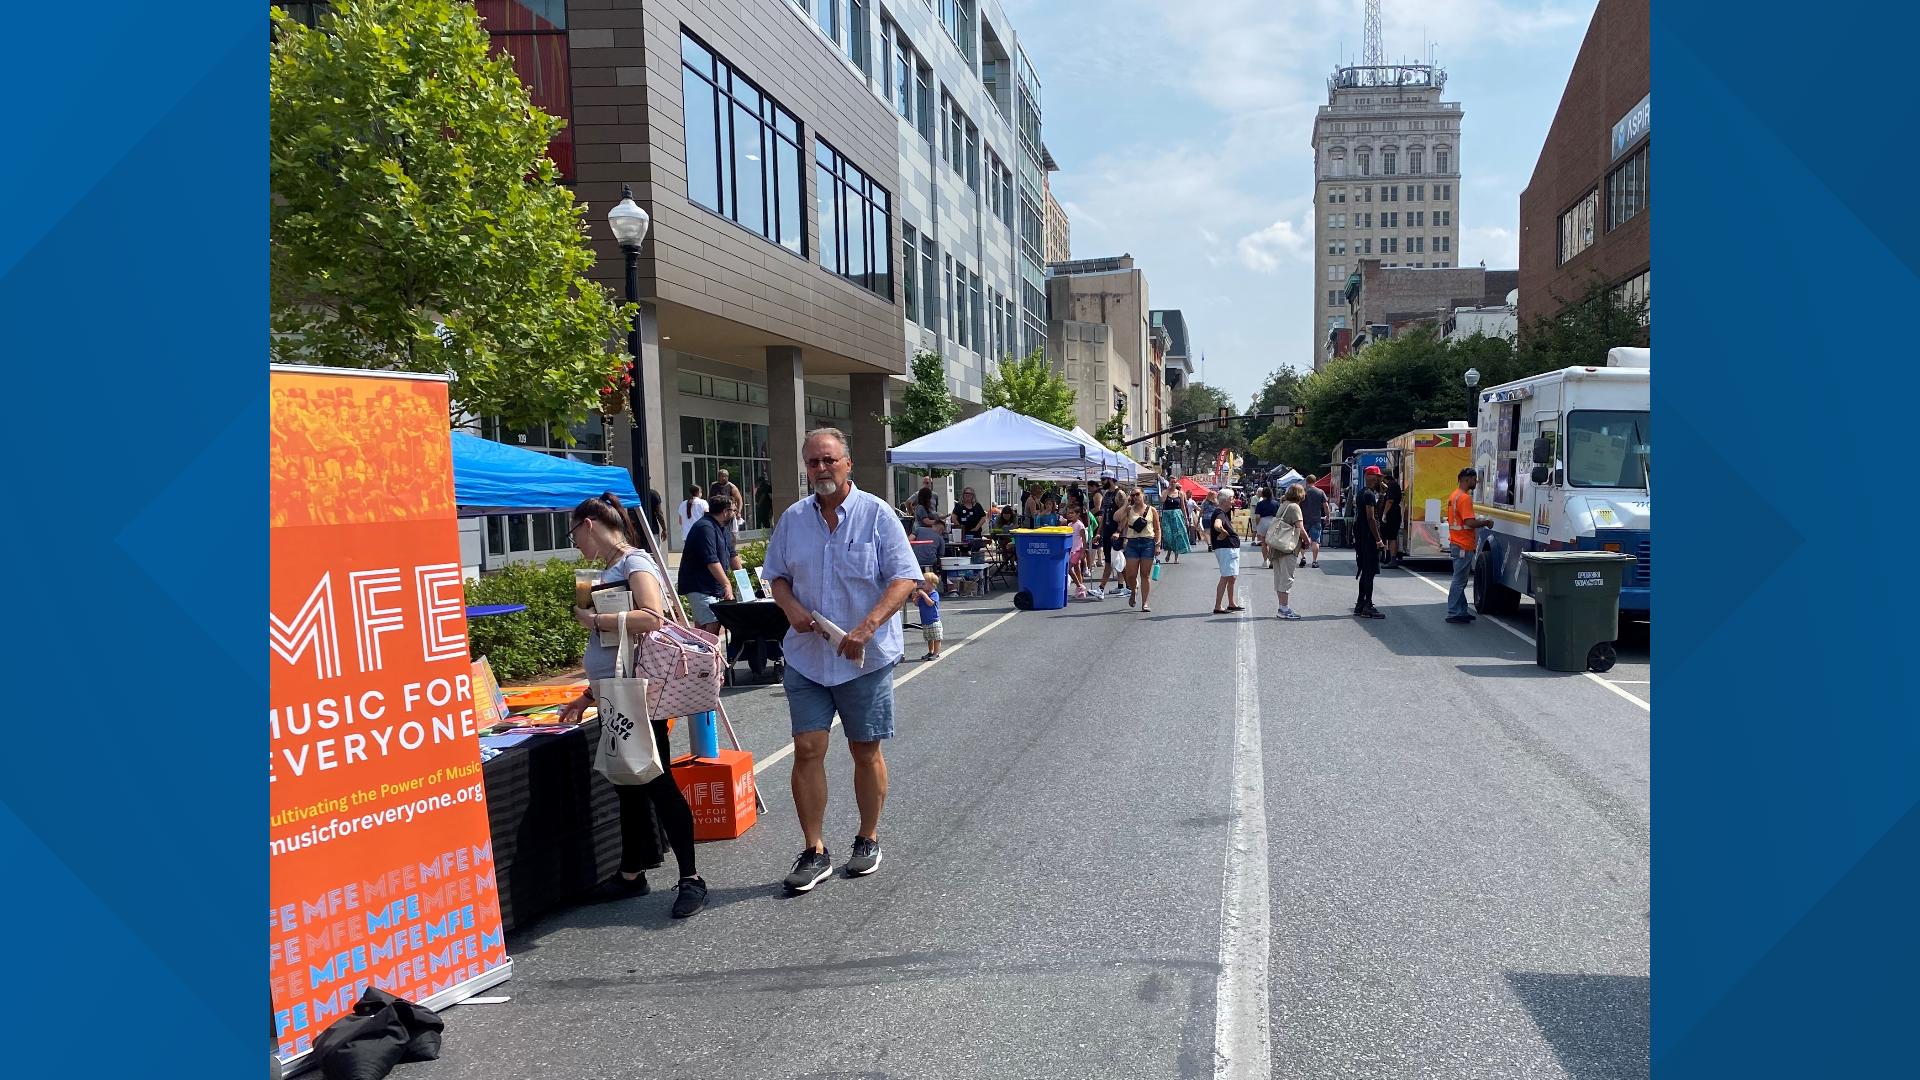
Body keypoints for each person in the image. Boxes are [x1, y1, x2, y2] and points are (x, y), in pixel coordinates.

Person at [761, 428, 921, 894]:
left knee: (864, 750)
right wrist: (789, 607)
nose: (821, 469)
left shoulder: (877, 515)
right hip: (808, 658)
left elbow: (904, 577)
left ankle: (867, 839)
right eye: (813, 463)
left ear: (848, 463)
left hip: (863, 660)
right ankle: (814, 850)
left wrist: (866, 628)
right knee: (808, 749)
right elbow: (777, 576)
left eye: (829, 460)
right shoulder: (793, 519)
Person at [556, 493, 707, 919]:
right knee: (627, 783)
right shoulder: (605, 569)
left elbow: (654, 618)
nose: (576, 543)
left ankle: (691, 877)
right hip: (614, 693)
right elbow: (611, 648)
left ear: (588, 524)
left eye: (574, 534)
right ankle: (631, 872)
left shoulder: (635, 563)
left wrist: (596, 619)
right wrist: (587, 696)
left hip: (637, 694)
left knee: (656, 781)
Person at [677, 495, 741, 635]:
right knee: (712, 621)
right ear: (725, 511)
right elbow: (711, 560)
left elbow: (732, 554)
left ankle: (701, 655)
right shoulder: (705, 527)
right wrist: (726, 584)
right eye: (734, 511)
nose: (735, 514)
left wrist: (744, 581)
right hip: (699, 585)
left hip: (712, 586)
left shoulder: (723, 528)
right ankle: (707, 655)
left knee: (703, 626)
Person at [1444, 467, 1494, 623]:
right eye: (1474, 479)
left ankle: (1461, 611)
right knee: (1459, 580)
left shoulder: (1454, 496)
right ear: (1467, 479)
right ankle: (1454, 612)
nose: (1476, 481)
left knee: (1461, 580)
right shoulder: (1464, 498)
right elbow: (1469, 522)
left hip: (1457, 542)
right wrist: (1485, 522)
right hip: (1463, 544)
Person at [1265, 484, 1307, 620]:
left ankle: (1281, 607)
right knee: (1287, 578)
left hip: (1276, 546)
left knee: (1279, 578)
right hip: (1287, 547)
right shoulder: (1295, 507)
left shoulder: (1284, 504)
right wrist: (1307, 540)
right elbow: (1299, 527)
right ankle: (1284, 608)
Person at [1119, 488, 1161, 612]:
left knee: (1145, 574)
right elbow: (1119, 522)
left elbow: (1157, 528)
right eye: (1133, 495)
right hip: (1132, 543)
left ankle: (1145, 603)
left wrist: (1158, 545)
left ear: (1143, 495)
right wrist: (1126, 504)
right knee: (1131, 575)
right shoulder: (1129, 509)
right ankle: (1133, 590)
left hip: (1148, 542)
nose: (1136, 497)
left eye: (1138, 494)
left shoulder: (1152, 510)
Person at [1353, 465, 1386, 619]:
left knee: (1365, 571)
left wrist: (1383, 494)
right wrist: (1378, 539)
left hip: (1361, 538)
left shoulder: (1363, 493)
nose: (1381, 479)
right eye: (1379, 476)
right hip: (1368, 538)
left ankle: (1361, 604)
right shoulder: (1368, 494)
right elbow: (1371, 517)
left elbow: (1375, 512)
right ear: (1372, 477)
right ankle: (1368, 605)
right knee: (1369, 572)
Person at [1205, 488, 1243, 614]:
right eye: (1231, 499)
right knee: (1226, 576)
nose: (1233, 501)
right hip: (1226, 548)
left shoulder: (1222, 512)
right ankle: (1218, 606)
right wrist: (1223, 531)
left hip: (1228, 548)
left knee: (1232, 576)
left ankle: (1231, 603)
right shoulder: (1220, 513)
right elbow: (1217, 524)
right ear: (1226, 500)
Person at [1095, 474, 1127, 593]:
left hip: (1116, 532)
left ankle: (1101, 589)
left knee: (1111, 561)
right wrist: (1099, 532)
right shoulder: (1106, 494)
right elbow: (1103, 516)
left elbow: (1125, 514)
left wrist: (1118, 531)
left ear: (1110, 479)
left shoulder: (1120, 494)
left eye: (1103, 480)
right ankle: (1125, 587)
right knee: (1117, 561)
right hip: (1107, 531)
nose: (1102, 482)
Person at [914, 571, 944, 661]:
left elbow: (930, 603)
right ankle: (930, 651)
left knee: (936, 637)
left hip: (934, 620)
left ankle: (936, 653)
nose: (922, 585)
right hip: (925, 620)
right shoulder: (923, 595)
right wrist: (916, 597)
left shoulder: (934, 594)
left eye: (924, 583)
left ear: (931, 584)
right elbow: (916, 604)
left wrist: (923, 594)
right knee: (929, 638)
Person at [1159, 485, 1191, 563]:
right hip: (1167, 516)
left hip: (1177, 515)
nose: (1173, 484)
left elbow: (1183, 506)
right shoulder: (1165, 492)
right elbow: (1162, 501)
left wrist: (1186, 518)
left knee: (1177, 536)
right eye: (1171, 482)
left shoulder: (1180, 493)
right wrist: (1167, 491)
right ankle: (1169, 552)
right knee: (1168, 536)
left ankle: (1176, 557)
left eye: (1174, 482)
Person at [1302, 476, 1329, 569]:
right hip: (1316, 520)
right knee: (1315, 541)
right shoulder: (1320, 492)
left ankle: (1303, 557)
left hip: (1303, 520)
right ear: (1315, 481)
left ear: (1306, 481)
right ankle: (1314, 561)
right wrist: (1328, 517)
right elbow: (1326, 506)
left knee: (1303, 540)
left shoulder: (1302, 492)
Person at [1380, 467, 1405, 567]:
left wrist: (1385, 514)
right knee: (1390, 537)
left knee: (1391, 537)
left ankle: (1393, 560)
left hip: (1392, 515)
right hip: (1394, 514)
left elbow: (1390, 501)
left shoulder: (1392, 486)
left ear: (1384, 476)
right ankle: (1389, 558)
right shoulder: (1392, 486)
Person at [1251, 486, 1280, 569]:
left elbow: (1257, 516)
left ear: (1263, 494)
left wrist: (1258, 525)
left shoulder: (1260, 504)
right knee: (1272, 544)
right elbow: (1279, 516)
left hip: (1263, 522)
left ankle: (1265, 560)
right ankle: (1272, 561)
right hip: (1273, 522)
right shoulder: (1276, 503)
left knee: (1264, 544)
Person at [1065, 506, 1090, 598]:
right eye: (1068, 513)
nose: (1070, 515)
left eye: (1072, 513)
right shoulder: (1069, 525)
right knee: (1077, 568)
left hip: (1077, 550)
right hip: (1071, 550)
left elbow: (1084, 540)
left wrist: (1083, 552)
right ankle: (1080, 588)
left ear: (1077, 514)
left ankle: (1079, 586)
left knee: (1068, 569)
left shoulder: (1080, 525)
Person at [712, 469, 745, 536]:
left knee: (729, 532)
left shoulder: (731, 487)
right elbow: (710, 498)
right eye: (721, 476)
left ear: (727, 477)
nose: (723, 478)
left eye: (725, 476)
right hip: (717, 512)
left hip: (728, 513)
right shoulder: (714, 486)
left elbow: (739, 500)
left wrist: (738, 512)